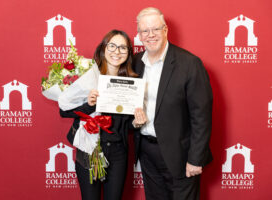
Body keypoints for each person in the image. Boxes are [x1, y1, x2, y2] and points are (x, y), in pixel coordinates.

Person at [132, 7, 213, 200]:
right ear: (139, 35)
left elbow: (201, 117)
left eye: (156, 29)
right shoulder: (135, 63)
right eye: (145, 31)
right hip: (147, 151)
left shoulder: (190, 64)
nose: (150, 35)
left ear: (165, 30)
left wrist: (195, 159)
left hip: (181, 155)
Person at [59, 30, 146, 200]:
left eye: (123, 48)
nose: (117, 51)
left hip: (118, 152)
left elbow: (124, 124)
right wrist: (88, 105)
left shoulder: (131, 82)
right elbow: (63, 111)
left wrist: (136, 123)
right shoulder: (87, 77)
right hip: (89, 150)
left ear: (128, 54)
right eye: (112, 46)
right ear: (103, 48)